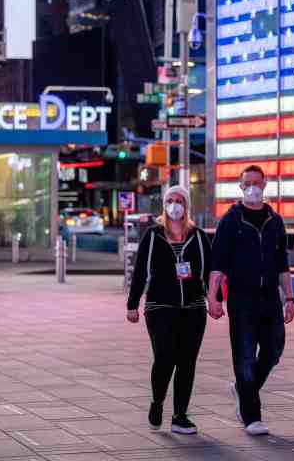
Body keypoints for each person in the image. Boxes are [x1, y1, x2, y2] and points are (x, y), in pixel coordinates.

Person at [207, 165, 294, 436]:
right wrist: (213, 297)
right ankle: (251, 416)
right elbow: (218, 262)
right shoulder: (231, 220)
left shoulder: (274, 220)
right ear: (240, 185)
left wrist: (289, 298)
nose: (253, 187)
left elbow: (282, 263)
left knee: (273, 350)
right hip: (242, 299)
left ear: (265, 185)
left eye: (257, 182)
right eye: (248, 183)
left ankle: (242, 389)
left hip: (270, 297)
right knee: (245, 358)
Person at [126, 186, 211, 435]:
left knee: (187, 362)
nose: (175, 205)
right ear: (164, 205)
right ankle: (157, 401)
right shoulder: (153, 235)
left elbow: (210, 270)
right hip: (160, 307)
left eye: (180, 201)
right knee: (164, 357)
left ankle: (180, 415)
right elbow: (140, 272)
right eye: (170, 201)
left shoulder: (198, 236)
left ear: (187, 205)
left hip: (194, 308)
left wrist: (215, 300)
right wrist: (132, 304)